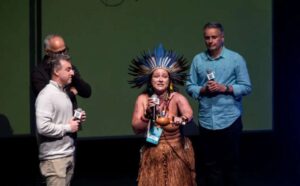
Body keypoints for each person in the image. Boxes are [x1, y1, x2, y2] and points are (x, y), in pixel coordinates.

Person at [186, 22, 252, 186]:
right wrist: (203, 90)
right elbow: (189, 85)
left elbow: (246, 87)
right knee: (210, 167)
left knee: (231, 166)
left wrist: (225, 88)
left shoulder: (235, 59)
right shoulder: (198, 60)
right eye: (207, 38)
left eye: (214, 37)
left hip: (230, 119)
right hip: (207, 120)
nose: (210, 41)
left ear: (222, 38)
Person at [129, 44, 197, 186]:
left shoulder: (176, 97)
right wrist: (148, 116)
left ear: (169, 80)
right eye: (156, 76)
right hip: (153, 154)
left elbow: (188, 113)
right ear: (150, 80)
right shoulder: (143, 99)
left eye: (164, 76)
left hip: (176, 154)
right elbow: (136, 127)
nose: (160, 79)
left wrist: (181, 119)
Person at [35, 54, 86, 185]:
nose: (72, 73)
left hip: (67, 155)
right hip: (54, 159)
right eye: (68, 69)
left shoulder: (63, 94)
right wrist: (68, 127)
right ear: (57, 71)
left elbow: (62, 121)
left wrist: (76, 119)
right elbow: (43, 127)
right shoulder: (46, 95)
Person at [31, 34, 92, 109]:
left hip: (71, 118)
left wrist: (74, 76)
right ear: (47, 52)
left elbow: (87, 92)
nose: (63, 55)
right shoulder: (38, 73)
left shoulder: (69, 67)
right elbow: (49, 101)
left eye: (65, 51)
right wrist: (72, 92)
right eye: (59, 53)